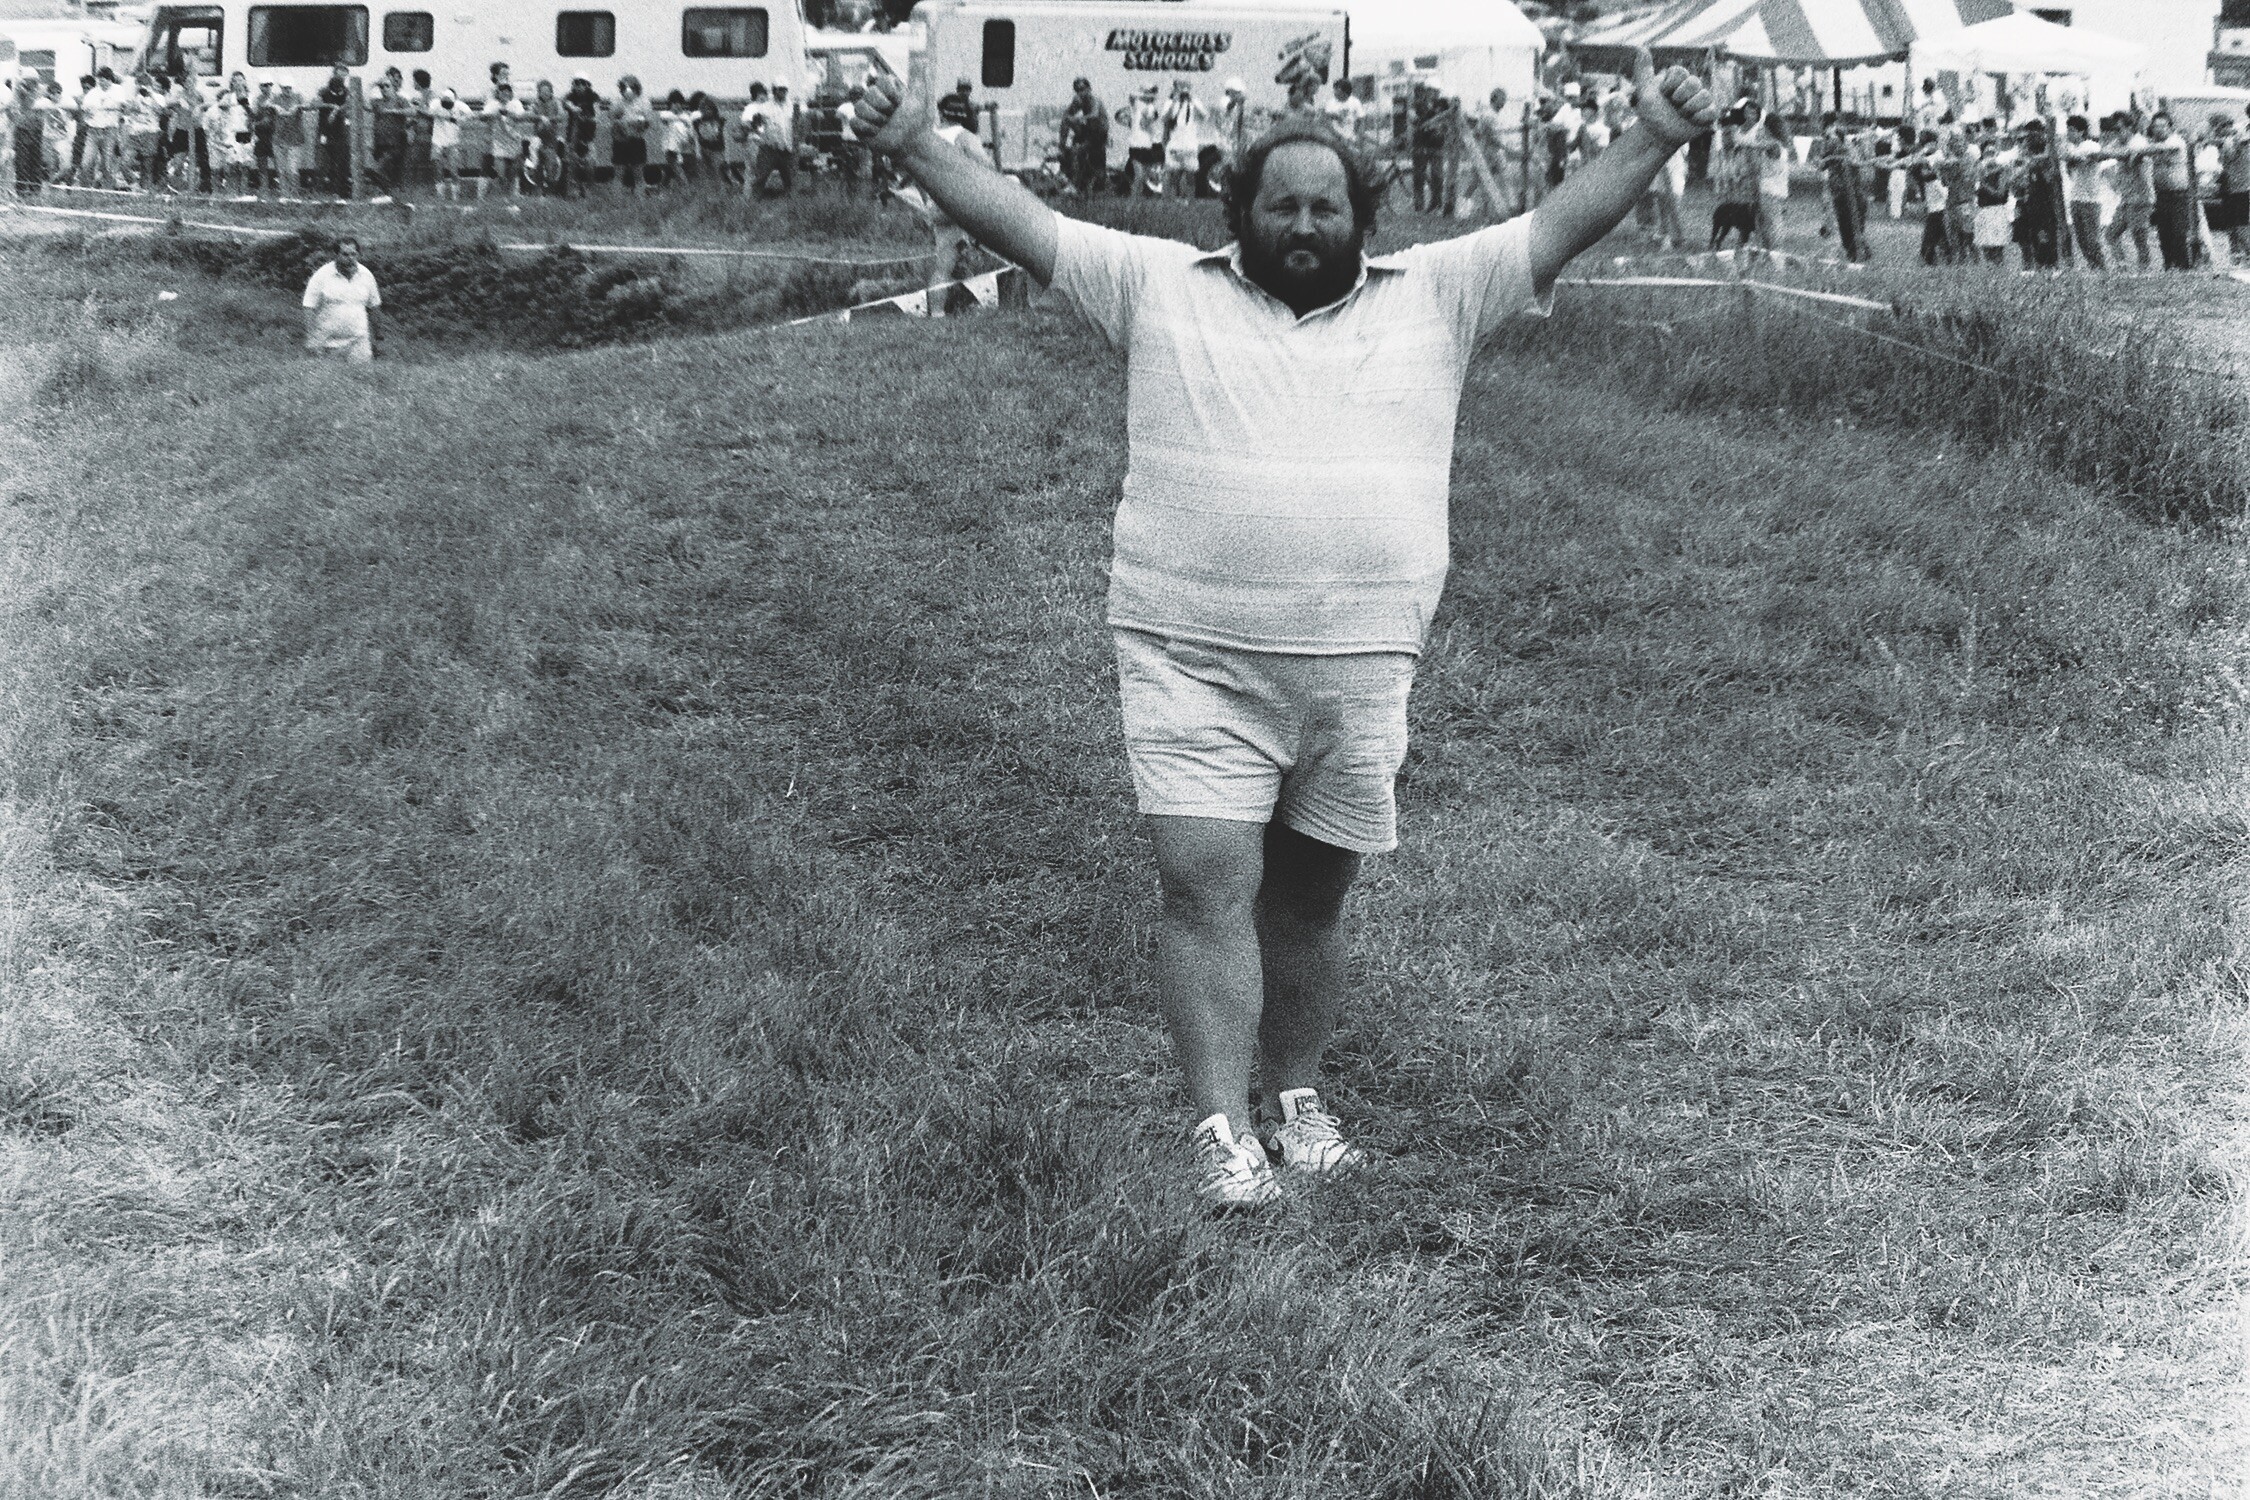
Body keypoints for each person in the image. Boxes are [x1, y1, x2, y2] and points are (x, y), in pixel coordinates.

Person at [847, 49, 1719, 1212]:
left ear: (1364, 217)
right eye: (1280, 204)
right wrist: (912, 141)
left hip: (1358, 670)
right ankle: (1220, 1127)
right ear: (1240, 216)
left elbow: (1562, 220)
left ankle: (1297, 1099)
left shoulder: (1443, 292)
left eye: (1326, 206)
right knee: (1205, 884)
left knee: (1309, 904)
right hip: (1188, 655)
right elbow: (1025, 220)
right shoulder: (1156, 284)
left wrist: (1655, 130)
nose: (1302, 223)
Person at [918, 91, 992, 315]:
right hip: (958, 205)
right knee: (948, 263)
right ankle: (941, 312)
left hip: (936, 205)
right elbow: (988, 169)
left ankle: (958, 307)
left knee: (952, 259)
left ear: (941, 112)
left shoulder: (929, 137)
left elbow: (918, 174)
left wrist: (926, 201)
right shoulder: (964, 137)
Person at [302, 237, 383, 363]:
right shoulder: (321, 276)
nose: (350, 259)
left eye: (353, 254)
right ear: (335, 255)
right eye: (345, 254)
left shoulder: (366, 275)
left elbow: (374, 307)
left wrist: (378, 338)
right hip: (328, 344)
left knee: (360, 380)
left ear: (358, 254)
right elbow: (308, 307)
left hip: (359, 342)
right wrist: (311, 339)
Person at [2144, 111, 2195, 271]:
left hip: (2178, 194)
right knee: (2163, 232)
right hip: (2161, 194)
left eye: (2162, 126)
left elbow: (2164, 148)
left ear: (2170, 128)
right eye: (2155, 126)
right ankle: (2169, 265)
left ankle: (2184, 267)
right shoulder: (2153, 144)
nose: (2158, 129)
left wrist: (2138, 151)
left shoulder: (2175, 141)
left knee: (2179, 232)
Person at [2104, 112, 2154, 271]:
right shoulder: (2118, 141)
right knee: (2111, 234)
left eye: (2119, 129)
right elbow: (2105, 153)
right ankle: (2122, 266)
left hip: (2141, 196)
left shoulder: (2138, 142)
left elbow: (2132, 157)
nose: (2117, 133)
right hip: (2126, 197)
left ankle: (2144, 269)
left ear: (2129, 127)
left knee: (2139, 236)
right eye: (2114, 130)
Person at [2011, 121, 2063, 271]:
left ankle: (2052, 266)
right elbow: (2015, 182)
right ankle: (2039, 265)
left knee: (2045, 236)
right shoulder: (2028, 163)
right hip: (2031, 204)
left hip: (2044, 205)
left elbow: (2049, 180)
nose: (2022, 147)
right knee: (2033, 237)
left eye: (2025, 144)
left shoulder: (2043, 162)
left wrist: (2034, 167)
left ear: (2030, 147)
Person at [2062, 115, 2107, 270]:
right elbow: (2070, 169)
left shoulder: (2090, 146)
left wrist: (2069, 158)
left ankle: (2101, 268)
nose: (2069, 133)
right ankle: (2092, 265)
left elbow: (2080, 160)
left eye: (2072, 130)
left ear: (2081, 132)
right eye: (2068, 130)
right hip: (2076, 197)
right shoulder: (2072, 147)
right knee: (2081, 238)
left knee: (2092, 238)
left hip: (2091, 199)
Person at [1061, 76, 1107, 197]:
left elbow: (1094, 115)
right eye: (1077, 90)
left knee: (1077, 151)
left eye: (1082, 89)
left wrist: (1078, 118)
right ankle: (1062, 147)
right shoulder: (1079, 100)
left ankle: (1075, 185)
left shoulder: (1095, 100)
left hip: (1099, 133)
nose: (1080, 92)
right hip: (1089, 132)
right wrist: (1069, 115)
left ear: (1089, 89)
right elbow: (1067, 115)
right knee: (1066, 121)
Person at [1162, 80, 1207, 199]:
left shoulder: (1194, 102)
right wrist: (1174, 101)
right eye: (1180, 88)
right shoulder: (1170, 102)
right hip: (1175, 143)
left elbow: (1204, 115)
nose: (1183, 91)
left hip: (1190, 144)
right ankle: (1174, 199)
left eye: (1186, 88)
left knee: (1190, 175)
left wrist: (1192, 100)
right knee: (1174, 174)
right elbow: (1165, 119)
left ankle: (1190, 200)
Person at [1754, 107, 1790, 250]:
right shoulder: (1782, 144)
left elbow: (1755, 144)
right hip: (1778, 188)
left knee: (1771, 224)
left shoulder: (1773, 144)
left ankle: (1774, 253)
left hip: (1770, 189)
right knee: (1772, 222)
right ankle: (1772, 252)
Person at [611, 75, 653, 196]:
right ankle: (616, 199)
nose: (627, 91)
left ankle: (640, 198)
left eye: (631, 87)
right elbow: (612, 119)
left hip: (637, 140)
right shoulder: (617, 102)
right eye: (624, 88)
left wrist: (639, 123)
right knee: (618, 172)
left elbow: (648, 122)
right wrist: (619, 123)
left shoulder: (644, 103)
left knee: (638, 172)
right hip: (620, 141)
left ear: (636, 89)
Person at [369, 76, 411, 195]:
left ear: (394, 87)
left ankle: (392, 192)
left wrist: (395, 111)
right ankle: (388, 193)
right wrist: (371, 87)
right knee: (383, 171)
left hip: (395, 142)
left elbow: (412, 112)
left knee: (378, 168)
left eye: (387, 86)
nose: (384, 89)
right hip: (379, 141)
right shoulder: (378, 102)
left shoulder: (400, 100)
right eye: (381, 86)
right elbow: (363, 103)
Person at [1120, 84, 1163, 197]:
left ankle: (1137, 202)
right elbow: (1132, 96)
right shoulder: (1138, 105)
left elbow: (1147, 122)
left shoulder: (1151, 108)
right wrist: (1143, 92)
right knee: (1139, 176)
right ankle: (1132, 204)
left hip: (1147, 145)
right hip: (1136, 145)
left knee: (1143, 178)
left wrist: (1148, 119)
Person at [315, 65, 352, 197]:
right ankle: (323, 188)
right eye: (340, 74)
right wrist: (331, 106)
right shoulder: (324, 91)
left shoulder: (347, 91)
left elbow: (349, 105)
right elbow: (316, 103)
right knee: (324, 159)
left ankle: (340, 189)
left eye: (344, 75)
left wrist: (337, 110)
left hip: (341, 130)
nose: (342, 77)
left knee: (341, 159)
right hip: (325, 130)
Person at [2220, 107, 2250, 260]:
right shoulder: (2239, 134)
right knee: (2241, 220)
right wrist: (2235, 142)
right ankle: (2244, 251)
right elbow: (2229, 157)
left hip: (2241, 184)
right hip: (2242, 185)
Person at [429, 88, 467, 199]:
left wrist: (457, 119)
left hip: (452, 141)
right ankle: (440, 196)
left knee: (454, 169)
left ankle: (455, 197)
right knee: (437, 169)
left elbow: (471, 115)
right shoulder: (435, 104)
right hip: (437, 140)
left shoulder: (460, 105)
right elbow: (430, 112)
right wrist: (442, 115)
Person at [271, 82, 308, 198]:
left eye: (289, 87)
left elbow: (308, 105)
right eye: (285, 88)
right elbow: (264, 104)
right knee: (281, 169)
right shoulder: (276, 98)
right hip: (279, 139)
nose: (287, 90)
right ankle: (284, 194)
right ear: (281, 88)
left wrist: (298, 106)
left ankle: (294, 194)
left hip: (295, 139)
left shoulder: (298, 97)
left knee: (293, 169)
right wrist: (274, 106)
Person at [1320, 78, 1363, 145]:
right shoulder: (1330, 103)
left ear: (1344, 92)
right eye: (1334, 89)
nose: (1334, 92)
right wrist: (1338, 136)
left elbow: (1360, 120)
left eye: (1337, 89)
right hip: (1334, 138)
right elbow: (1327, 122)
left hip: (1351, 138)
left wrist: (1356, 136)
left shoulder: (1355, 102)